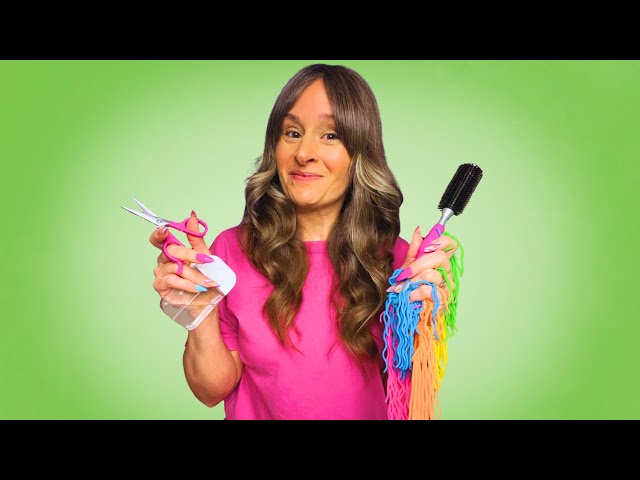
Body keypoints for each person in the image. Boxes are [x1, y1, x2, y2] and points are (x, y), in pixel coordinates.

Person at [148, 64, 458, 420]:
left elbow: (412, 401)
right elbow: (210, 391)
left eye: (330, 135)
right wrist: (200, 313)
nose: (303, 153)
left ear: (360, 153)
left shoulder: (400, 263)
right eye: (292, 133)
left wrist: (423, 323)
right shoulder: (231, 251)